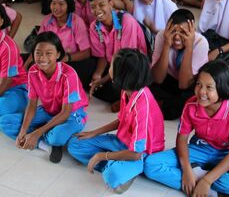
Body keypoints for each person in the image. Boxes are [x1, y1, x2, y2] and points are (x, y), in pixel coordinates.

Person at [144, 61, 229, 197]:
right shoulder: (191, 104)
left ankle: (200, 179)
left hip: (227, 153)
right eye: (199, 84)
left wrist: (206, 180)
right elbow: (182, 139)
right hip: (200, 148)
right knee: (150, 164)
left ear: (223, 88)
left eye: (209, 87)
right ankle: (209, 189)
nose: (201, 92)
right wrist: (187, 169)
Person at [68, 49, 165, 194]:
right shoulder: (127, 90)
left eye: (112, 66)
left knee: (111, 177)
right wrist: (93, 133)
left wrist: (103, 155)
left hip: (140, 154)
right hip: (122, 143)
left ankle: (123, 167)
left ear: (122, 74)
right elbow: (122, 120)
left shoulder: (142, 106)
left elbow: (136, 153)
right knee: (74, 144)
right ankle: (117, 164)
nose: (109, 68)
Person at [0, 31, 88, 164]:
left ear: (58, 54)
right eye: (38, 53)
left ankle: (42, 135)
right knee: (4, 122)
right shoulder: (33, 71)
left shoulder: (69, 75)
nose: (42, 58)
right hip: (48, 111)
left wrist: (37, 133)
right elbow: (32, 105)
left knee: (57, 138)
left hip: (71, 114)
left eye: (48, 53)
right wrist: (23, 131)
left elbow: (65, 113)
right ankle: (44, 145)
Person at [87, 0, 148, 104]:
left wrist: (103, 80)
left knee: (116, 85)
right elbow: (101, 55)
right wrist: (98, 74)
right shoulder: (94, 26)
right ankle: (121, 97)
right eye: (93, 7)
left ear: (110, 4)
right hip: (113, 66)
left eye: (101, 5)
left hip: (132, 65)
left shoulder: (126, 21)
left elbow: (126, 58)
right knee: (87, 76)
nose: (97, 10)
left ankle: (124, 98)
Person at [25, 0, 94, 89]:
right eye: (53, 3)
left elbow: (86, 53)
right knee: (23, 60)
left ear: (68, 5)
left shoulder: (77, 22)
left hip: (71, 61)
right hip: (50, 59)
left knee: (82, 70)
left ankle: (55, 82)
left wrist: (66, 58)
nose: (56, 8)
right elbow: (37, 47)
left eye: (61, 4)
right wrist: (26, 66)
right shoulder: (46, 21)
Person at [150, 9, 209, 120]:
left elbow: (184, 84)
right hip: (167, 79)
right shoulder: (163, 35)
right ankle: (155, 103)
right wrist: (167, 45)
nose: (176, 37)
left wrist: (189, 47)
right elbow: (157, 79)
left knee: (189, 99)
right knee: (145, 82)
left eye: (183, 33)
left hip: (188, 82)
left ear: (192, 31)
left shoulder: (201, 42)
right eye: (173, 31)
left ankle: (152, 104)